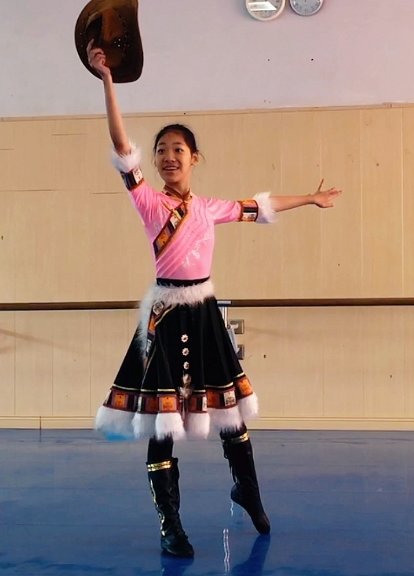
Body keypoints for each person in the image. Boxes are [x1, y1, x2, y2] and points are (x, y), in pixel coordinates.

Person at [85, 42, 342, 559]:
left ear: (194, 158)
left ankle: (247, 491)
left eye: (178, 149)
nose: (168, 157)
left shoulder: (209, 208)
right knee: (162, 422)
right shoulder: (148, 201)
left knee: (232, 413)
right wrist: (108, 80)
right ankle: (170, 526)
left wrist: (310, 199)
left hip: (204, 316)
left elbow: (261, 206)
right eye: (162, 150)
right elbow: (121, 144)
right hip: (164, 317)